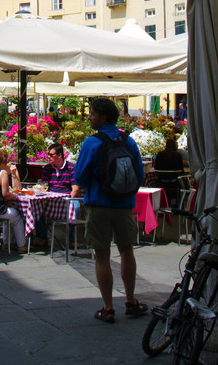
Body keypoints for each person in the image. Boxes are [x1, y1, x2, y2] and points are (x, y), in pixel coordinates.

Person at [74, 97, 146, 324]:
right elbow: (140, 176)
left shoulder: (91, 143)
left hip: (99, 205)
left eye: (92, 114)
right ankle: (131, 301)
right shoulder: (129, 141)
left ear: (102, 117)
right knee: (127, 251)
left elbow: (80, 176)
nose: (89, 117)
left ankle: (108, 307)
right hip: (125, 206)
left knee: (102, 255)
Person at [32, 143, 80, 247]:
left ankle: (72, 239)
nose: (48, 157)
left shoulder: (71, 168)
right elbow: (43, 186)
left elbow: (75, 190)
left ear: (60, 156)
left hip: (65, 198)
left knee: (75, 206)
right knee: (36, 206)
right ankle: (42, 237)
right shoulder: (47, 169)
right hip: (50, 198)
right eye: (48, 154)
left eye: (51, 154)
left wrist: (69, 200)